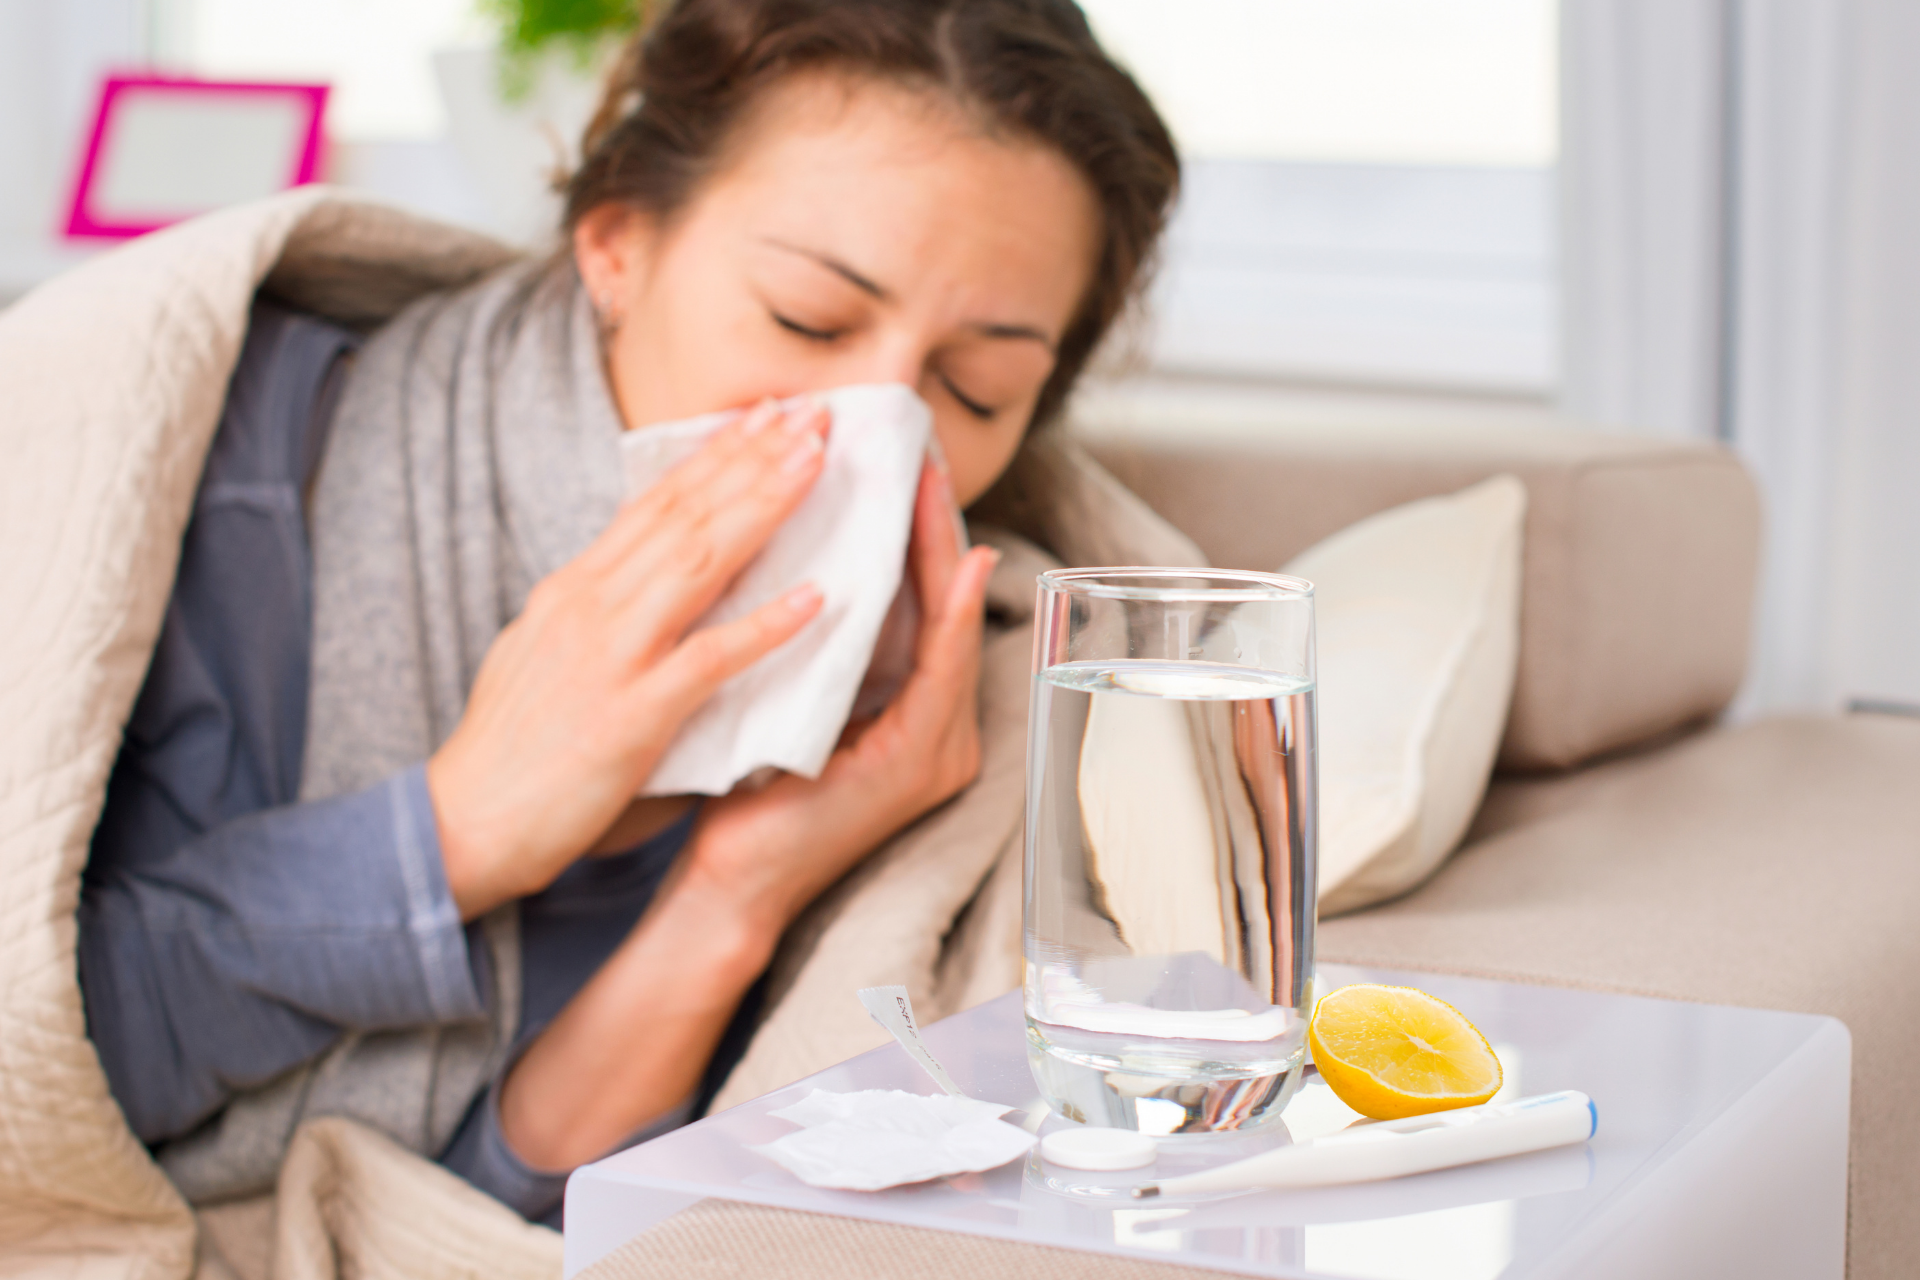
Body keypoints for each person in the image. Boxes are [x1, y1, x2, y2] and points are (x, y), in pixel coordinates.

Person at [78, 0, 1178, 1226]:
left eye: (976, 389)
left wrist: (733, 896)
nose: (876, 422)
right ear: (615, 244)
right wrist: (455, 830)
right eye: (808, 317)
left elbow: (498, 1221)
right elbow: (46, 1066)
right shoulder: (214, 470)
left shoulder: (936, 699)